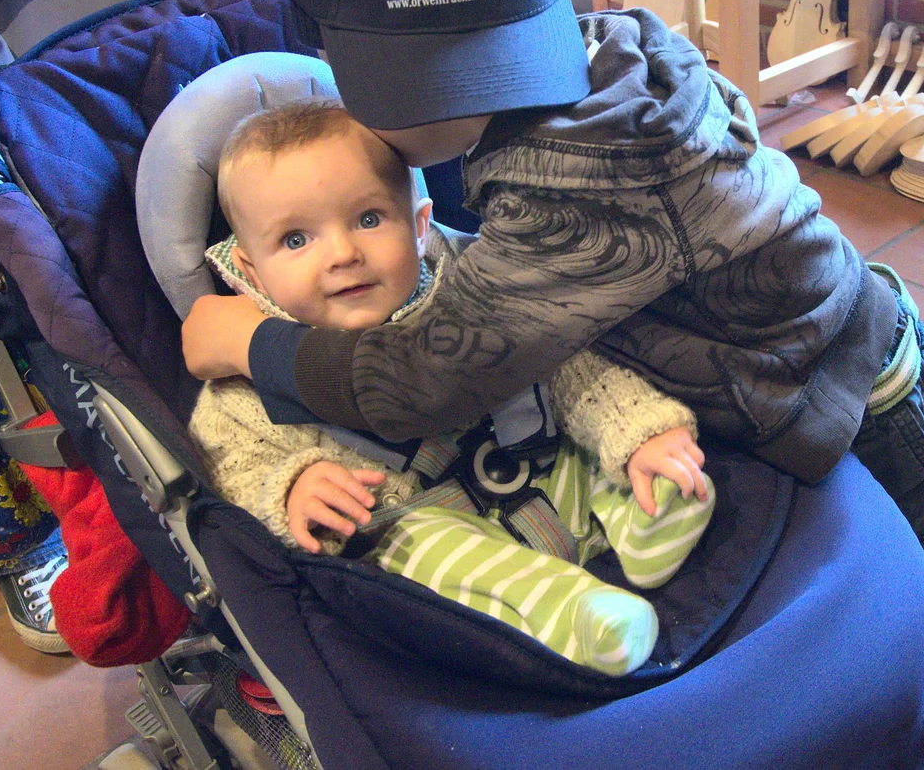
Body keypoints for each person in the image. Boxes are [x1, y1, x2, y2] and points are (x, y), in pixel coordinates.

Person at [181, 0, 924, 763]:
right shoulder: (622, 54)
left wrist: (248, 341)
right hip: (816, 334)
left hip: (849, 379)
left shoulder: (567, 190)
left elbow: (420, 378)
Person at [186, 98, 715, 676]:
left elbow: (570, 366)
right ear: (251, 268)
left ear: (417, 224)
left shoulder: (474, 287)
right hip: (435, 537)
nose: (342, 255)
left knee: (605, 448)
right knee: (403, 546)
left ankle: (650, 515)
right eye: (295, 240)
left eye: (368, 219)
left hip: (540, 467)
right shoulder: (244, 384)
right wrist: (290, 488)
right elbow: (230, 466)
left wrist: (640, 433)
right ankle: (573, 613)